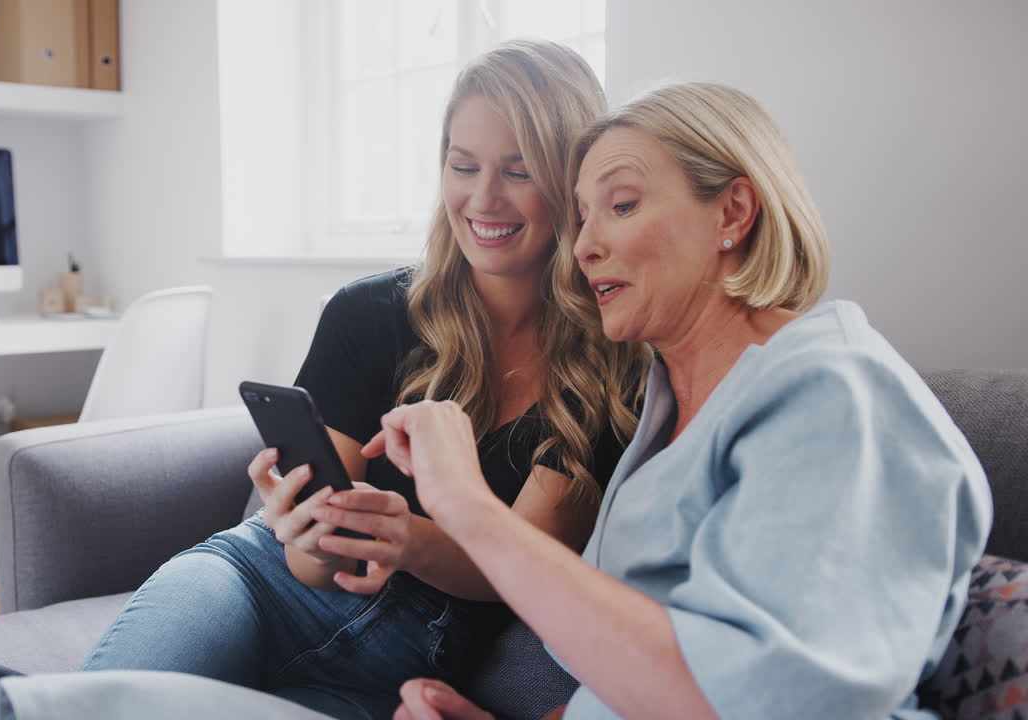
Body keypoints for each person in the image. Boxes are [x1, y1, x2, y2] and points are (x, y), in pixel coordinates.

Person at [0, 39, 648, 720]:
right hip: (251, 582)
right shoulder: (370, 314)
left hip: (401, 667)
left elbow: (523, 574)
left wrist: (411, 541)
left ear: (569, 184)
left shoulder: (606, 365)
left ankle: (55, 699)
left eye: (518, 172)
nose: (483, 199)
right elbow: (308, 566)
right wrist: (303, 526)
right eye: (463, 165)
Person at [342, 82, 993, 720]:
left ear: (733, 214)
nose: (584, 246)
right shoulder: (668, 403)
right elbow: (644, 675)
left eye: (621, 205)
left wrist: (467, 505)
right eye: (581, 216)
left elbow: (768, 699)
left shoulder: (837, 391)